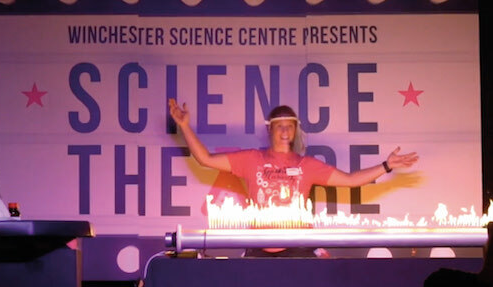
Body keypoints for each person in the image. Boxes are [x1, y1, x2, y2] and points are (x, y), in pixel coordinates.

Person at [168, 99, 418, 256]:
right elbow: (206, 160)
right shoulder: (252, 159)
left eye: (290, 125)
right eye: (280, 125)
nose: (285, 130)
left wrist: (386, 165)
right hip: (260, 249)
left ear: (296, 130)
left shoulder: (306, 165)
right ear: (270, 129)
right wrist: (185, 126)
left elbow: (351, 180)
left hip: (299, 247)